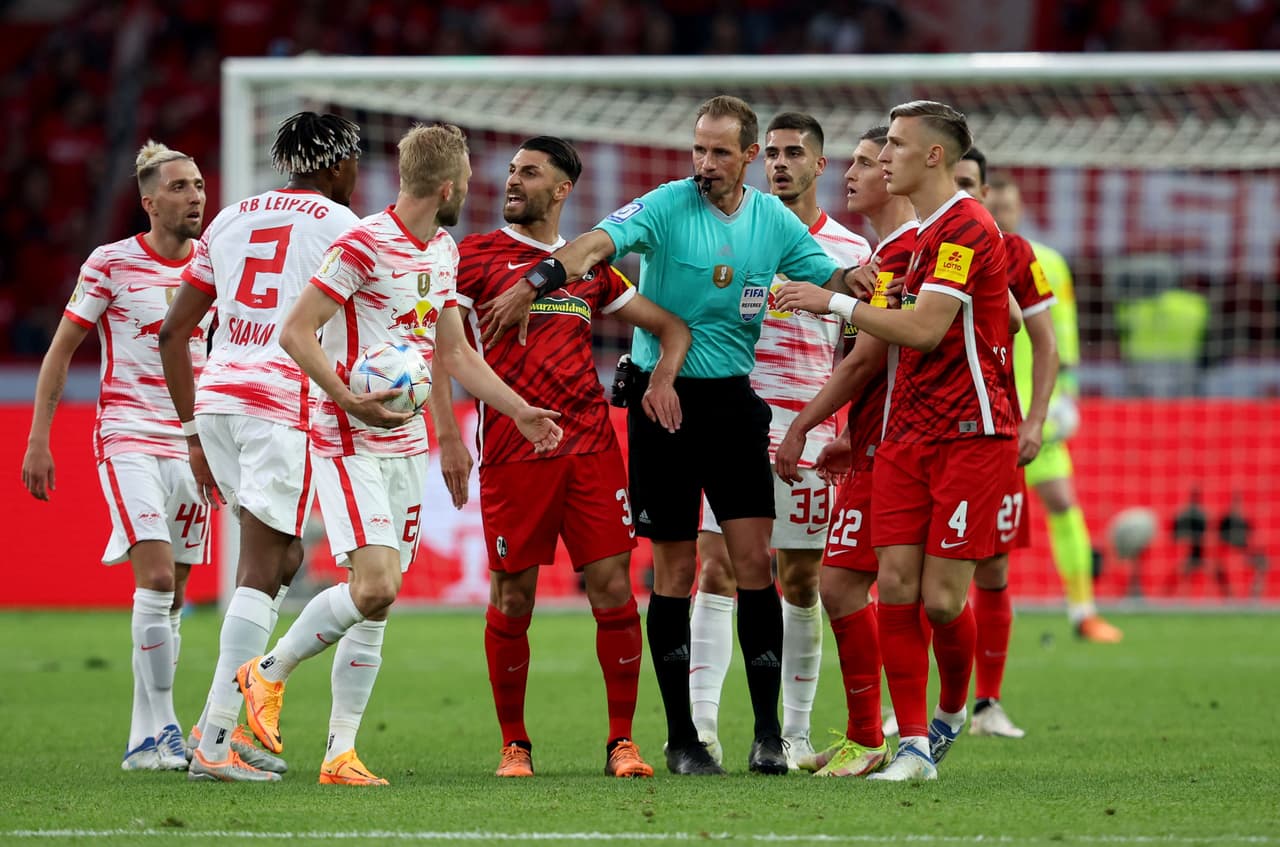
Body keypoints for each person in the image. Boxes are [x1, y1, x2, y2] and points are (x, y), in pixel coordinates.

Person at [477, 95, 866, 776]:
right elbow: (597, 245)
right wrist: (538, 278)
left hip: (734, 406)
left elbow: (827, 274)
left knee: (756, 566)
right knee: (677, 572)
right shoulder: (665, 204)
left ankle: (769, 736)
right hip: (663, 407)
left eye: (720, 153)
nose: (705, 164)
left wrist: (859, 283)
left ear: (748, 157)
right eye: (698, 150)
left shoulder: (771, 219)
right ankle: (683, 737)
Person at [235, 123, 564, 786]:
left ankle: (341, 753)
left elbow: (454, 352)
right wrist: (347, 398)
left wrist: (517, 408)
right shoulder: (361, 244)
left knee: (376, 601)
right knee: (377, 583)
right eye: (468, 177)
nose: (474, 186)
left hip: (406, 442)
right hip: (351, 435)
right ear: (446, 186)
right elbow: (295, 332)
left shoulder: (442, 250)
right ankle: (264, 671)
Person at [776, 100, 1018, 781]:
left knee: (942, 599)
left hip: (970, 433)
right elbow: (878, 354)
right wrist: (846, 430)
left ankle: (946, 717)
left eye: (894, 149)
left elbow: (924, 330)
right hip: (905, 436)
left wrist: (833, 302)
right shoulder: (898, 249)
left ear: (933, 156)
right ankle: (910, 746)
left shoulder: (967, 226)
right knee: (897, 588)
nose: (883, 160)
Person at [434, 136, 689, 780]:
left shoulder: (590, 268)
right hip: (514, 453)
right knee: (513, 596)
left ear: (562, 189)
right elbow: (443, 349)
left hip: (592, 449)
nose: (513, 181)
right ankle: (514, 744)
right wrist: (447, 433)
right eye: (511, 171)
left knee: (613, 592)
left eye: (530, 172)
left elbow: (671, 327)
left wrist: (659, 376)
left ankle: (621, 743)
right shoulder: (474, 257)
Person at [160, 112, 364, 782]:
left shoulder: (228, 218)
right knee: (261, 564)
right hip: (278, 403)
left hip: (217, 399)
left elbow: (174, 332)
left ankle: (211, 723)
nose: (357, 176)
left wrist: (192, 432)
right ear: (336, 165)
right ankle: (216, 742)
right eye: (355, 163)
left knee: (282, 559)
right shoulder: (341, 226)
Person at [687, 112, 871, 770]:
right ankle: (701, 728)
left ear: (821, 165)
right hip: (733, 419)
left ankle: (792, 738)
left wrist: (845, 428)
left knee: (801, 579)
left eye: (795, 153)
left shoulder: (850, 254)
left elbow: (864, 354)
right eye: (772, 153)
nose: (781, 163)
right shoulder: (733, 233)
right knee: (716, 565)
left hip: (811, 430)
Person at [22, 142, 209, 772]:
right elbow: (61, 350)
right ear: (149, 201)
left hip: (193, 439)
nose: (195, 197)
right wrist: (38, 438)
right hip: (127, 434)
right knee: (154, 578)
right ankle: (167, 725)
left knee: (174, 594)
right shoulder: (111, 263)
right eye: (180, 187)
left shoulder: (213, 266)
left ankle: (142, 742)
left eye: (200, 185)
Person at [774, 125, 918, 777]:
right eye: (856, 160)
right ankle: (876, 734)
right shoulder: (887, 250)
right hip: (873, 441)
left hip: (904, 444)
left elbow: (867, 359)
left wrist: (805, 424)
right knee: (849, 583)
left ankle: (913, 733)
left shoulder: (904, 253)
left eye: (868, 162)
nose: (854, 173)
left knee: (908, 591)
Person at [987, 175, 1124, 644]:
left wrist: (1066, 396)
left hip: (1035, 410)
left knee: (1062, 501)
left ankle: (1083, 611)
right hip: (985, 409)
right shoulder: (971, 255)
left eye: (1010, 206)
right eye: (995, 205)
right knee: (974, 519)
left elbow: (1061, 335)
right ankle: (980, 608)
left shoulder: (1046, 262)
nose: (1004, 214)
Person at [955, 148, 1058, 740]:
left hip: (995, 429)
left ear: (987, 190)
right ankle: (913, 705)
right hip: (923, 432)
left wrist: (1036, 420)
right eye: (958, 183)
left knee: (991, 569)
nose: (967, 193)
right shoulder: (911, 243)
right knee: (911, 572)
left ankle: (987, 703)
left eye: (973, 184)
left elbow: (1045, 342)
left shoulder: (1014, 253)